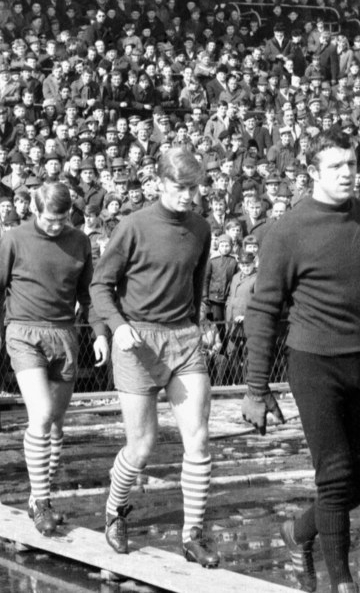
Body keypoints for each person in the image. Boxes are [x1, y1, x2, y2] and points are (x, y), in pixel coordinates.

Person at [242, 130, 360, 593]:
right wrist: (255, 388)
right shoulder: (286, 230)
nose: (348, 173)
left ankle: (300, 531)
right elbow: (264, 310)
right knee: (335, 475)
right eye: (336, 166)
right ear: (313, 173)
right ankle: (342, 584)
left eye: (351, 164)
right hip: (314, 364)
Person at [89, 149, 219, 566]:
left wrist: (198, 324)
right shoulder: (133, 226)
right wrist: (118, 325)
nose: (188, 196)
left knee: (198, 440)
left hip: (183, 339)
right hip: (137, 341)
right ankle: (115, 512)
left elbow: (197, 284)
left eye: (194, 188)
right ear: (160, 183)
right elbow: (100, 286)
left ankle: (193, 535)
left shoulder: (200, 227)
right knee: (142, 446)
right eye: (180, 188)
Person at [0, 182, 109, 535]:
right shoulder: (13, 239)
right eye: (49, 219)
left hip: (64, 334)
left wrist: (100, 332)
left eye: (62, 218)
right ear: (34, 211)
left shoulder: (79, 240)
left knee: (57, 424)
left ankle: (39, 496)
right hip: (24, 332)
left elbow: (88, 293)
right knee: (42, 414)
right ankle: (41, 500)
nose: (55, 226)